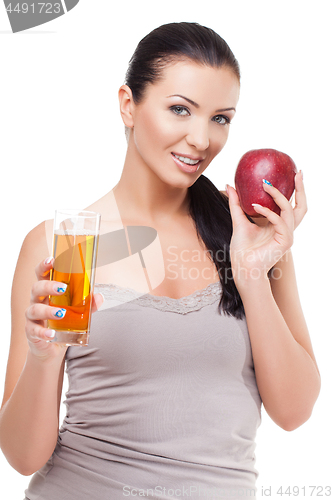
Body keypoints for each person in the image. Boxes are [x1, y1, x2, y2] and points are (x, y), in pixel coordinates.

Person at [0, 22, 321, 500]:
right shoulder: (71, 244)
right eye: (179, 110)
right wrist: (45, 359)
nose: (200, 139)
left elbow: (294, 413)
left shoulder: (249, 239)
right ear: (129, 105)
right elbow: (24, 457)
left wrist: (253, 277)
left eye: (220, 118)